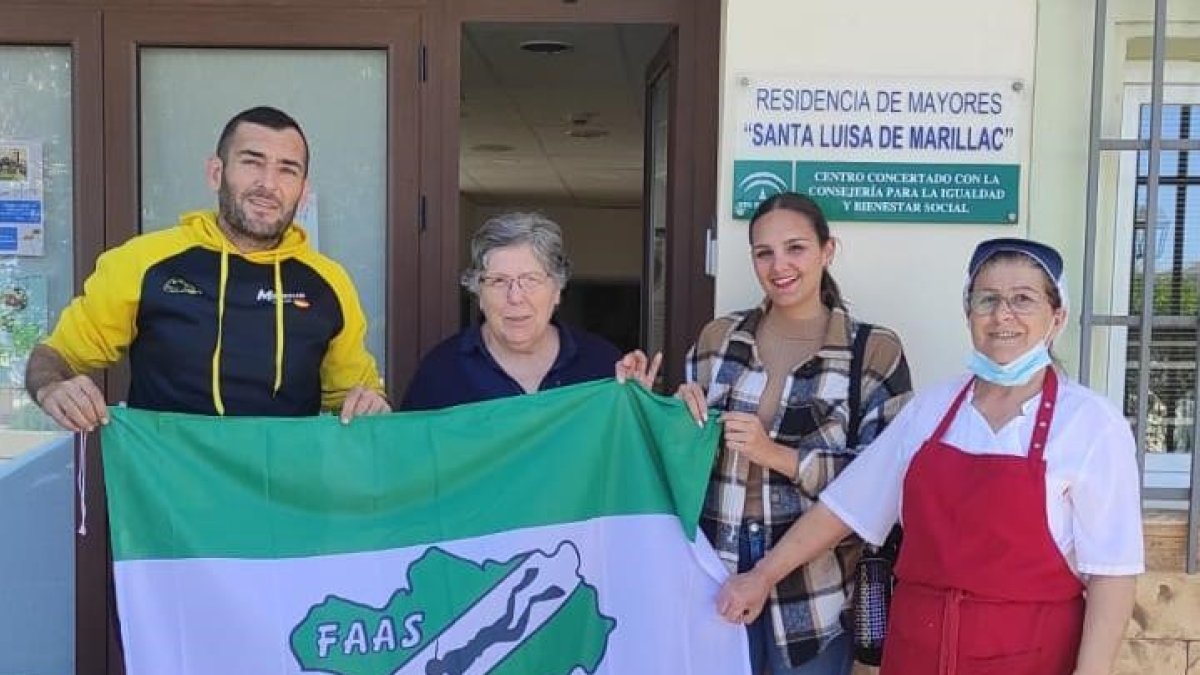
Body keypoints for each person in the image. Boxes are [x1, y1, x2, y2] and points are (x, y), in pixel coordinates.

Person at [715, 237, 1143, 675]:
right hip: (915, 653)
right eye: (987, 299)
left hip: (1029, 657)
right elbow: (845, 508)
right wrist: (763, 576)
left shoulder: (1091, 425)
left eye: (1023, 300)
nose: (1002, 315)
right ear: (968, 313)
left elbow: (1113, 574)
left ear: (1058, 317)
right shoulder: (930, 410)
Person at [26, 105, 390, 429]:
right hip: (167, 498)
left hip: (284, 499)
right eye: (252, 162)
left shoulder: (329, 282)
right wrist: (53, 387)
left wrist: (371, 404)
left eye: (287, 170)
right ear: (216, 173)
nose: (268, 183)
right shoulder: (143, 262)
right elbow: (53, 356)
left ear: (303, 189)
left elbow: (358, 394)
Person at [676, 192, 913, 675]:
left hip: (817, 584)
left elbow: (884, 480)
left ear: (828, 251)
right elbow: (680, 463)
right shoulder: (718, 339)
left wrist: (776, 453)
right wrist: (671, 417)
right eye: (764, 252)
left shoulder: (874, 350)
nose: (779, 265)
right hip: (714, 570)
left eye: (796, 248)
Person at [400, 211, 659, 410]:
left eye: (530, 280)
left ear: (557, 289)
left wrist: (641, 409)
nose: (515, 297)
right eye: (499, 281)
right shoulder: (441, 371)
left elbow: (628, 459)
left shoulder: (601, 365)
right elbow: (410, 464)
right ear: (478, 292)